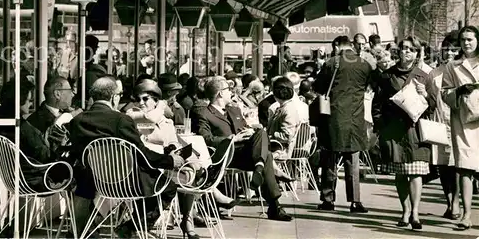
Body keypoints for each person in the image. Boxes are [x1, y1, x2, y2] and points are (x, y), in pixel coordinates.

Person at [68, 76, 185, 237]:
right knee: (168, 187)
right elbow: (142, 154)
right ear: (114, 97)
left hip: (94, 182)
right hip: (125, 182)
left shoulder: (77, 121)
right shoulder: (120, 120)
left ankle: (95, 227)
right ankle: (130, 228)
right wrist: (170, 161)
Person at [194, 76, 293, 221]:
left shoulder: (234, 110)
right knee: (267, 156)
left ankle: (259, 167)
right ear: (220, 93)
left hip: (245, 153)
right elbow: (206, 138)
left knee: (260, 132)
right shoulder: (204, 113)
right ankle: (274, 206)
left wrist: (249, 132)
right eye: (228, 90)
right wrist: (234, 139)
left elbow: (245, 127)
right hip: (226, 155)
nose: (232, 93)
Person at [372, 36, 430, 230]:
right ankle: (404, 210)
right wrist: (380, 125)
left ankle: (415, 213)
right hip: (395, 130)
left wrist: (425, 95)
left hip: (415, 130)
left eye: (411, 49)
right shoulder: (387, 75)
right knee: (400, 173)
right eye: (404, 48)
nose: (407, 52)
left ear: (417, 53)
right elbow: (377, 104)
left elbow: (433, 107)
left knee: (416, 173)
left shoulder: (423, 75)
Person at [313, 35, 372, 213]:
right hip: (355, 117)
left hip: (334, 117)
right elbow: (370, 86)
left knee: (330, 159)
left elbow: (319, 87)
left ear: (337, 45)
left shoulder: (332, 63)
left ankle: (328, 199)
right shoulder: (364, 64)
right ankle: (355, 201)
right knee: (352, 160)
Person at [441, 26, 479, 230]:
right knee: (465, 168)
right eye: (463, 40)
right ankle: (466, 215)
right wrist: (459, 91)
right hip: (464, 121)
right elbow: (445, 94)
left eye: (470, 39)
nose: (466, 43)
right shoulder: (452, 66)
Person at [425, 31, 461, 220]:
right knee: (443, 166)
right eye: (446, 50)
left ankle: (456, 202)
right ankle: (449, 201)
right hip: (439, 124)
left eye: (454, 50)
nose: (449, 54)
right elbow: (431, 101)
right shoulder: (434, 74)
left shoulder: (465, 71)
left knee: (457, 165)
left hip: (459, 123)